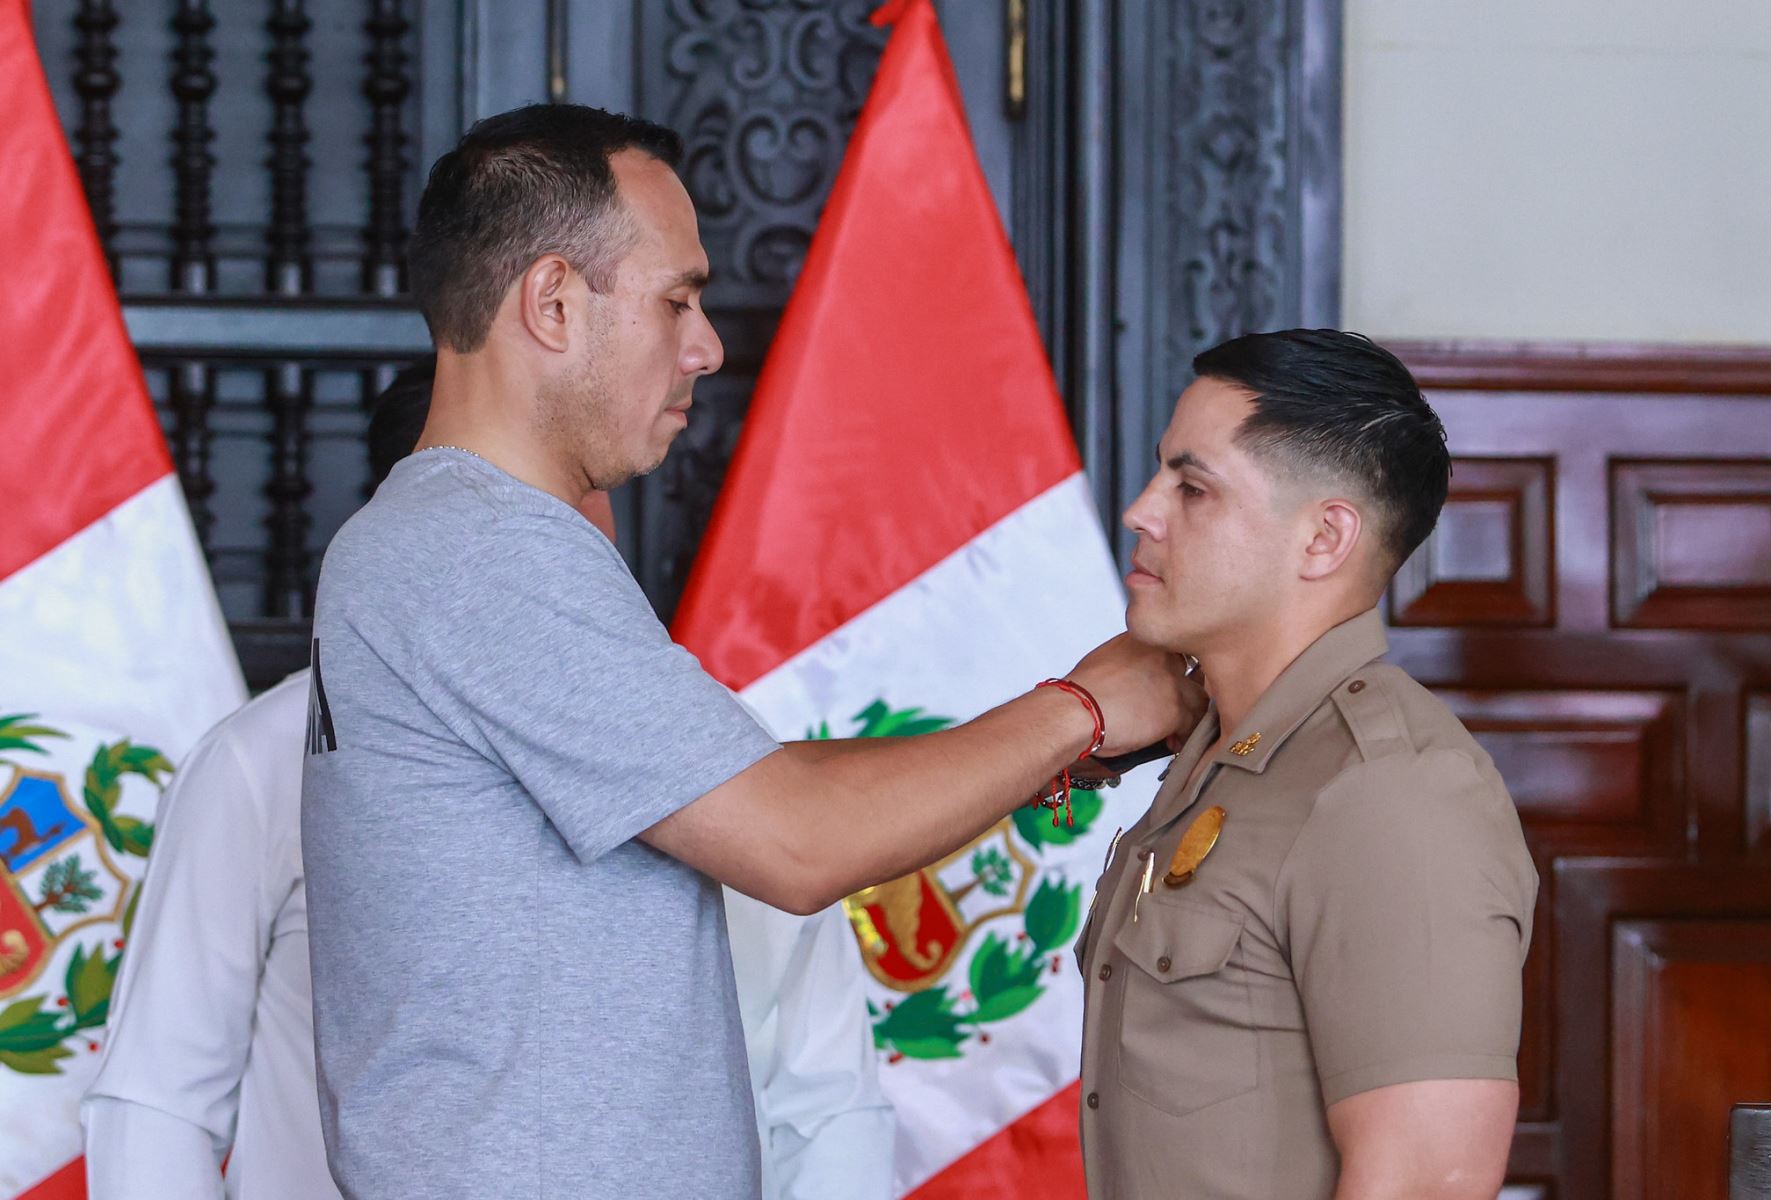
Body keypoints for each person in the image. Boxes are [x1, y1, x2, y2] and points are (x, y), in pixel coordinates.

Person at [300, 104, 1200, 1200]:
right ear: (549, 301)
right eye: (676, 298)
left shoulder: (452, 537)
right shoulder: (484, 550)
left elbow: (760, 788)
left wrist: (1040, 742)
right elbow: (796, 842)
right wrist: (1087, 705)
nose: (707, 345)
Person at [82, 365, 897, 1200]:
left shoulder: (745, 761)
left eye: (578, 494)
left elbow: (827, 1103)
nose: (556, 542)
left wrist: (1043, 722)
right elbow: (158, 1106)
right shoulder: (259, 759)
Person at [1074, 329, 1538, 1200]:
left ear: (1325, 538)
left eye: (1192, 487)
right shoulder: (1216, 751)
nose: (1141, 510)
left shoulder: (1389, 792)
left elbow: (1426, 1182)